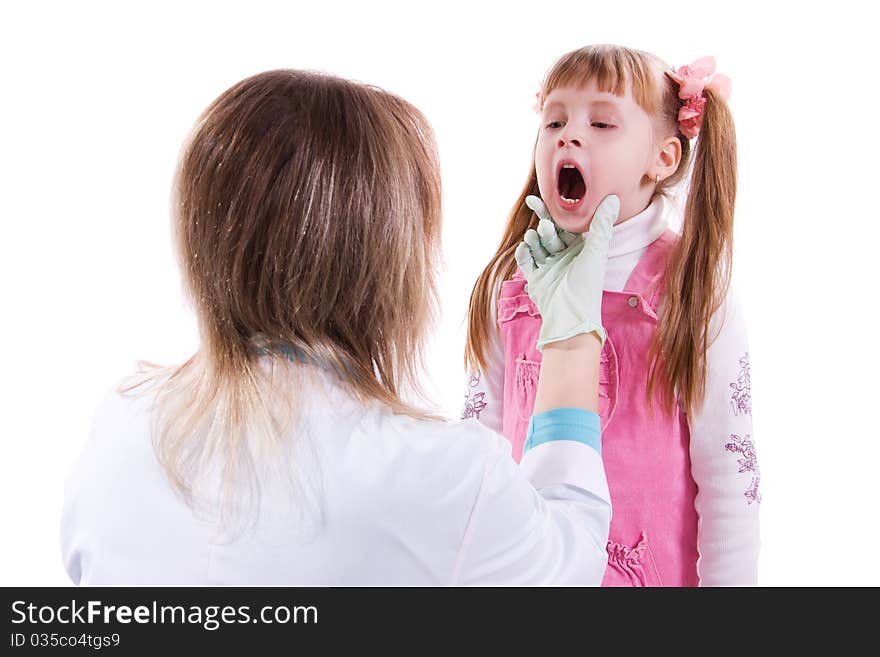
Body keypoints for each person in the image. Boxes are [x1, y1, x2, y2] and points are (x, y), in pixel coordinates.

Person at [61, 69, 620, 585]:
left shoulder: (124, 421)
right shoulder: (440, 476)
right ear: (387, 259)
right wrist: (571, 338)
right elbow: (568, 563)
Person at [463, 45, 759, 586]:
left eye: (601, 122)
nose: (568, 135)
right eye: (554, 120)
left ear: (663, 158)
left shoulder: (693, 289)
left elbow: (729, 480)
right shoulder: (511, 284)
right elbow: (477, 453)